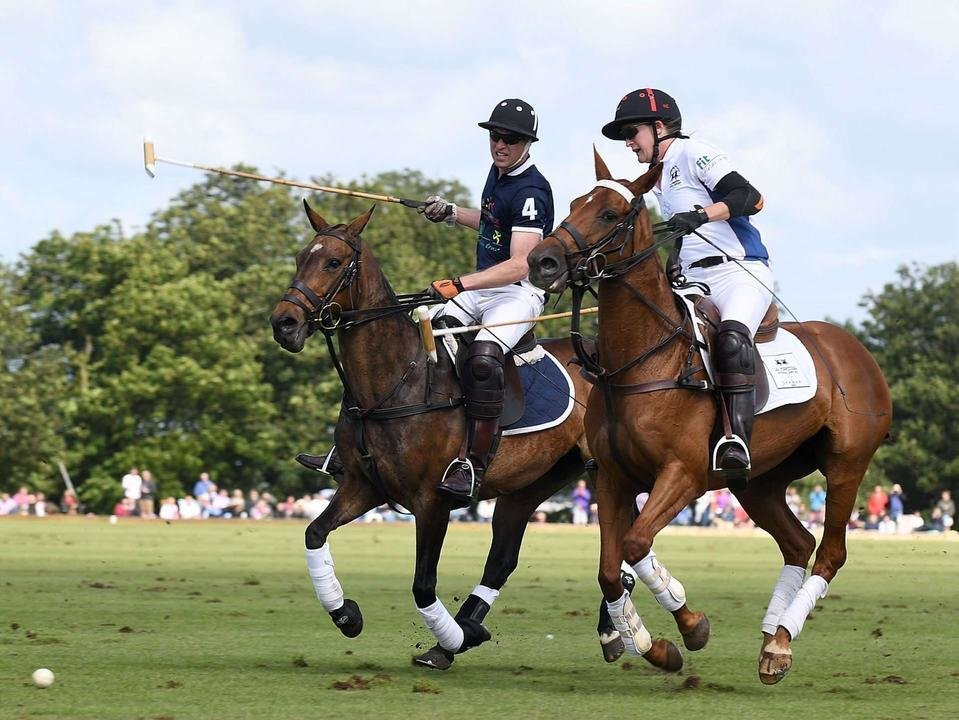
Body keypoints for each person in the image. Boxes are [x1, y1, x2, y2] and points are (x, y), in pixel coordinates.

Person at [601, 88, 770, 481]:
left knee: (730, 339)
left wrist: (701, 215)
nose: (628, 142)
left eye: (633, 132)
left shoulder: (694, 153)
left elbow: (751, 197)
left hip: (737, 272)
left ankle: (736, 440)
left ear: (660, 128)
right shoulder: (656, 178)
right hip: (693, 279)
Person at [418, 98, 554, 507]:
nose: (501, 145)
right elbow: (496, 223)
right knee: (426, 337)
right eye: (496, 136)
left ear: (527, 143)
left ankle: (472, 463)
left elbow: (518, 264)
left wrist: (458, 284)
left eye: (511, 139)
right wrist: (452, 213)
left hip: (518, 292)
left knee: (482, 357)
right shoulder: (498, 174)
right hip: (480, 287)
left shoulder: (532, 189)